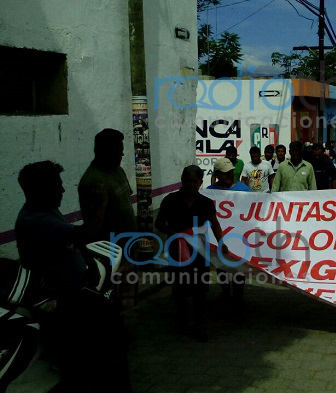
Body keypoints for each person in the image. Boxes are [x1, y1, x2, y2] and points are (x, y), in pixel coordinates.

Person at [16, 161, 131, 393]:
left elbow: (74, 242)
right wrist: (103, 204)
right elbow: (86, 233)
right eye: (57, 185)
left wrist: (88, 262)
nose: (63, 190)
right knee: (99, 344)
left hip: (78, 287)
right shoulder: (36, 220)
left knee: (109, 334)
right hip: (64, 297)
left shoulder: (47, 209)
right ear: (40, 189)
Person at [155, 166, 229, 342]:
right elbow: (159, 223)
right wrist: (174, 233)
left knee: (200, 290)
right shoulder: (170, 200)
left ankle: (199, 325)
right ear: (182, 180)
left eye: (194, 181)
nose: (190, 184)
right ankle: (181, 322)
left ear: (200, 183)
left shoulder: (205, 203)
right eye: (187, 180)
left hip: (199, 251)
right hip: (177, 250)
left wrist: (221, 243)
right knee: (180, 288)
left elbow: (214, 224)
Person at [78, 128, 136, 243]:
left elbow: (126, 203)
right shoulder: (93, 181)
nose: (122, 154)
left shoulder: (118, 170)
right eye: (120, 151)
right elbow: (95, 223)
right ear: (109, 152)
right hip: (111, 247)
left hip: (128, 243)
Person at [206, 159, 249, 311]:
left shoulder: (243, 189)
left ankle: (238, 296)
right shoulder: (210, 191)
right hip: (219, 237)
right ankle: (225, 293)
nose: (229, 175)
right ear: (217, 174)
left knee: (239, 267)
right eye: (225, 174)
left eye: (231, 172)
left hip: (239, 236)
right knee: (221, 266)